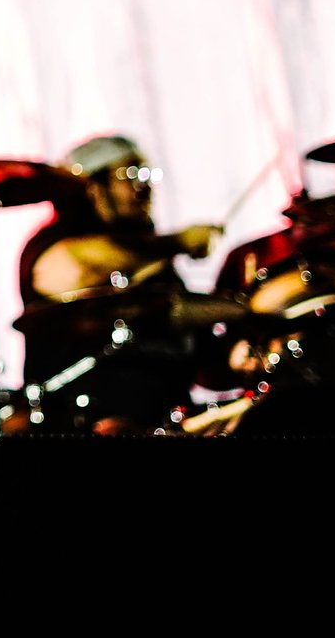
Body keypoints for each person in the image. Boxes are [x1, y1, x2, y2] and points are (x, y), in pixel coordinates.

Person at [11, 134, 220, 432]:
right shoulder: (49, 245)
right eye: (131, 174)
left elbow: (182, 323)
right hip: (79, 420)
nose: (144, 185)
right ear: (92, 186)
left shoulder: (149, 254)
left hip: (170, 414)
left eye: (147, 174)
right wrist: (179, 241)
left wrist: (243, 312)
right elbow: (78, 266)